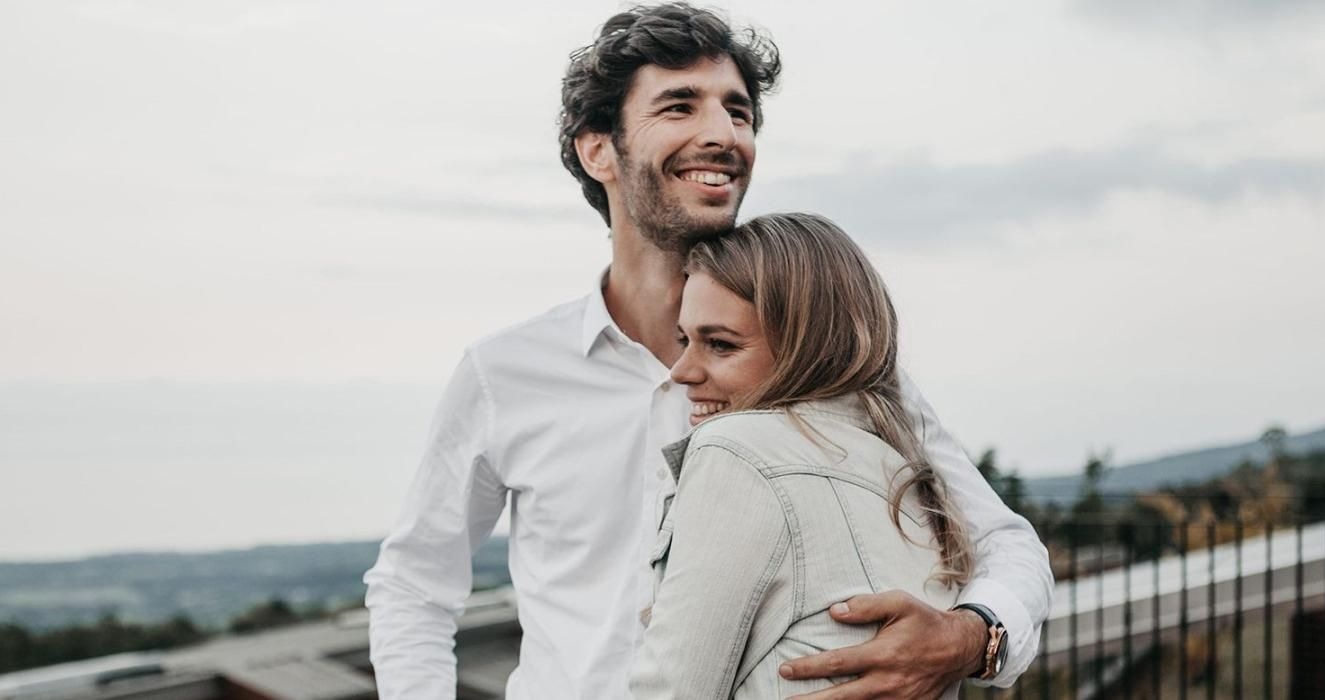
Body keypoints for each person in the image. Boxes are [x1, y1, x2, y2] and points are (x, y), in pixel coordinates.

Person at [362, 5, 1052, 698]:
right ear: (597, 148)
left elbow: (1007, 544)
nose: (723, 134)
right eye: (680, 106)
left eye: (739, 112)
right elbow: (413, 587)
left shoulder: (826, 358)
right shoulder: (504, 374)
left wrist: (971, 637)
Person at [632, 212, 982, 697]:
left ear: (807, 345)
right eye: (684, 341)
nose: (682, 371)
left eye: (720, 344)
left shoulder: (737, 452)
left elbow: (669, 691)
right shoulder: (907, 474)